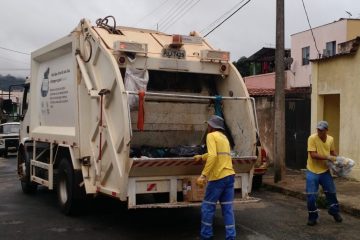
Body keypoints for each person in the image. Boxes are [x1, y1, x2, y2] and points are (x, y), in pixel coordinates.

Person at [193, 115, 236, 240]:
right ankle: (231, 237)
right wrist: (201, 157)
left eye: (209, 124)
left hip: (218, 177)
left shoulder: (211, 136)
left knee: (208, 207)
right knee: (227, 209)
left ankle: (206, 235)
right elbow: (218, 154)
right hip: (229, 176)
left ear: (211, 126)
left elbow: (213, 156)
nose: (208, 126)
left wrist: (203, 175)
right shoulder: (224, 138)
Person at [306, 120, 343, 226]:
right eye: (318, 129)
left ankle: (334, 212)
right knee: (311, 196)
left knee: (331, 192)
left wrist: (339, 159)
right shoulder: (312, 138)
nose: (319, 132)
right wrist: (328, 157)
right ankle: (312, 217)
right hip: (312, 171)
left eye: (322, 130)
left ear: (326, 130)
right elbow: (313, 155)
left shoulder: (331, 139)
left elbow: (332, 152)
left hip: (324, 171)